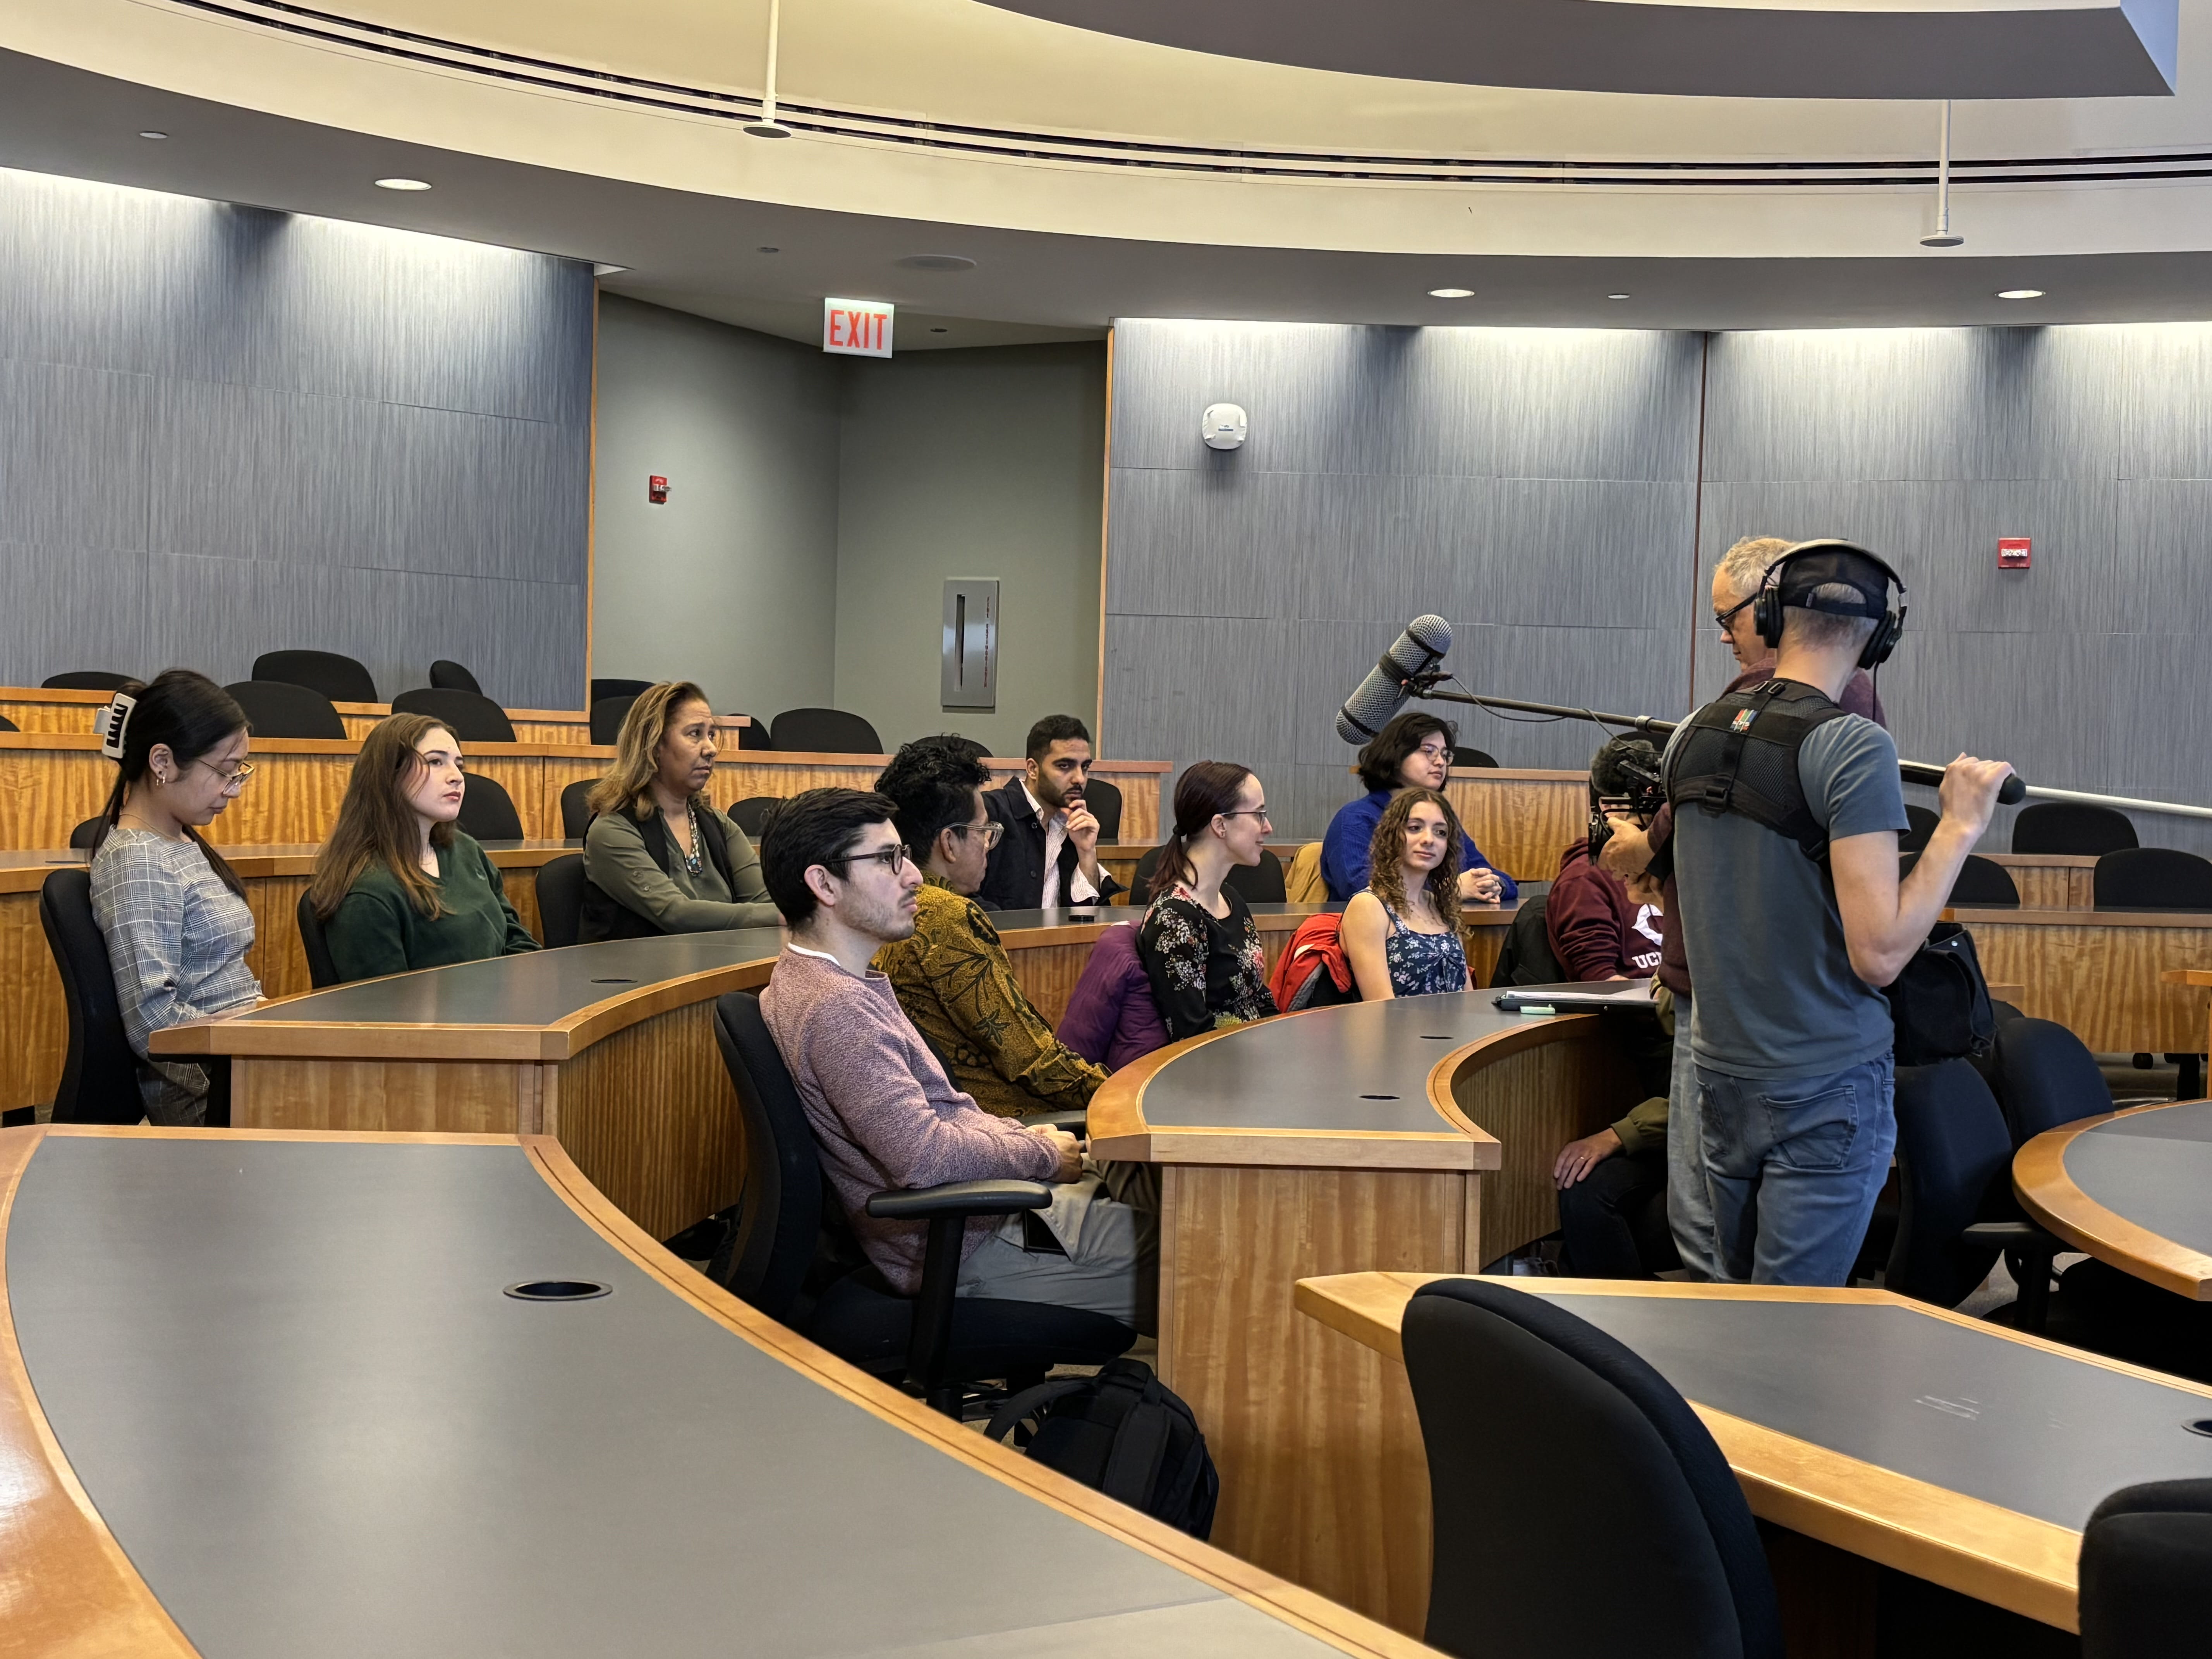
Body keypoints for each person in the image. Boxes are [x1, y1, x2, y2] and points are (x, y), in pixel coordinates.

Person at [1663, 542, 2012, 1286]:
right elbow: (1879, 952)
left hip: (1720, 1072)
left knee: (1743, 1310)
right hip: (1822, 1081)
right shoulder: (1853, 747)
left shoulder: (1689, 734)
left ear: (1767, 615)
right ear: (1880, 638)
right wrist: (1958, 825)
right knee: (1793, 1331)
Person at [1597, 536, 1893, 1282]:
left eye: (1729, 617)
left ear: (1772, 606)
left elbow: (1878, 947)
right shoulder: (1721, 720)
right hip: (1742, 1014)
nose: (1725, 635)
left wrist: (1636, 844)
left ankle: (1725, 1367)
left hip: (1782, 1025)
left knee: (1735, 1252)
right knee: (1737, 1253)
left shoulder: (1830, 718)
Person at [757, 788, 1150, 1328]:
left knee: (1178, 1206)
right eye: (888, 860)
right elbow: (923, 1157)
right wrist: (1040, 1156)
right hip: (968, 1243)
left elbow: (937, 1123)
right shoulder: (837, 1009)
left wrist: (1023, 1140)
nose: (915, 875)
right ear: (823, 883)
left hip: (981, 1214)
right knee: (1209, 1259)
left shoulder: (824, 979)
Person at [871, 736, 1108, 1118]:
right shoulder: (947, 918)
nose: (989, 845)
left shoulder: (883, 906)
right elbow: (1033, 1061)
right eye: (984, 832)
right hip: (1004, 1125)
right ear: (949, 843)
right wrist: (1122, 1095)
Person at [86, 670, 261, 1125]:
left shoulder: (180, 841)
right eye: (224, 772)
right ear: (162, 762)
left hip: (241, 1060)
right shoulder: (137, 860)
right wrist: (250, 1069)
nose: (234, 789)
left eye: (240, 771)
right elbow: (152, 1021)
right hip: (211, 1090)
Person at [307, 714, 540, 981]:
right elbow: (385, 1010)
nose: (457, 777)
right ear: (390, 773)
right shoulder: (368, 892)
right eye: (435, 762)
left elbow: (517, 941)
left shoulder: (466, 850)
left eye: (459, 765)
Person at [580, 681, 778, 940]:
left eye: (712, 735)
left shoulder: (718, 824)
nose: (711, 749)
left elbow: (763, 899)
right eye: (695, 734)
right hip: (640, 976)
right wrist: (787, 915)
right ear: (654, 746)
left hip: (717, 965)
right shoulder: (611, 831)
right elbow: (675, 914)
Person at [1135, 761, 1280, 1042]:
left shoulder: (1232, 900)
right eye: (1259, 815)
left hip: (1255, 1058)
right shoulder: (1174, 918)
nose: (1268, 828)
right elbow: (1192, 1037)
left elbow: (1259, 998)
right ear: (1220, 825)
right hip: (1214, 1073)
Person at [1320, 711, 1516, 905]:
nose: (1440, 762)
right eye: (1429, 751)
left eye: (1445, 755)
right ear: (1396, 754)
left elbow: (1493, 876)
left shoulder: (1442, 821)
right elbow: (1358, 887)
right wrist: (1450, 890)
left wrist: (1495, 886)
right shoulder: (1355, 818)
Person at [1547, 737, 1666, 983]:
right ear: (1610, 808)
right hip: (1641, 1015)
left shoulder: (1668, 864)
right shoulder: (1583, 880)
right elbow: (1602, 983)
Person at [976, 714, 1121, 911]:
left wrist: (1087, 852)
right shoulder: (989, 813)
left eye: (1085, 767)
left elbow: (1088, 917)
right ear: (1033, 769)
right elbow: (963, 900)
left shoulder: (1075, 824)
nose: (1080, 778)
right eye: (1064, 766)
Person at [1340, 788, 1473, 1001]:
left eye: (1441, 832)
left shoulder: (1441, 906)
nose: (1429, 839)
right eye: (1415, 828)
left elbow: (1468, 998)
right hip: (1397, 1031)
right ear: (1392, 834)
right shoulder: (1369, 906)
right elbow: (1380, 1006)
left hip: (1457, 1031)